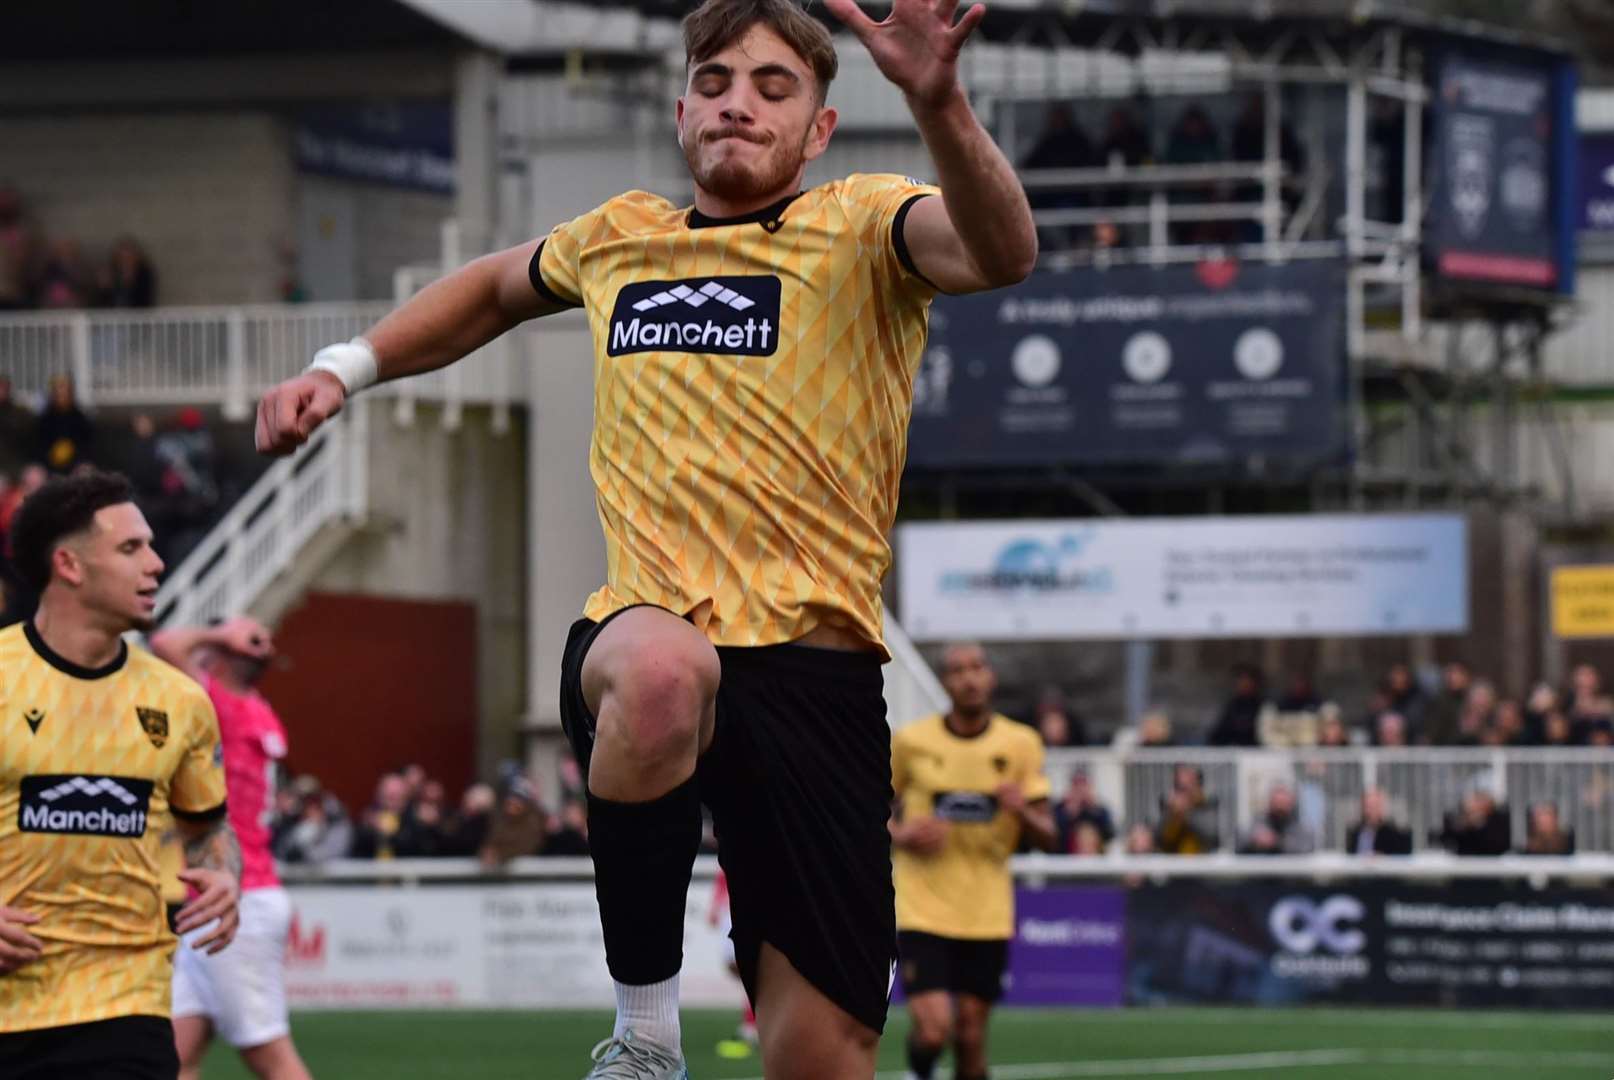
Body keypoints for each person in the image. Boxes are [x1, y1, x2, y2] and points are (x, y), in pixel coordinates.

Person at [253, 0, 1036, 1075]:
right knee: (663, 667)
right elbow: (486, 289)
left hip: (818, 676)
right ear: (681, 112)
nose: (738, 103)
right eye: (715, 82)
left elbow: (1001, 250)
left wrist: (938, 102)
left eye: (773, 87)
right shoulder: (619, 237)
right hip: (650, 631)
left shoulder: (866, 222)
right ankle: (645, 1037)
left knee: (822, 1056)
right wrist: (344, 369)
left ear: (819, 130)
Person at [0, 469, 241, 1078]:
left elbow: (208, 828)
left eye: (152, 546)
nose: (156, 564)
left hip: (124, 1003)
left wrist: (221, 873)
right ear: (70, 566)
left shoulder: (181, 702)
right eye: (131, 548)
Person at [149, 616, 313, 1080]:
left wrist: (221, 636)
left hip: (240, 899)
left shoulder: (223, 707)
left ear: (217, 659)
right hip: (221, 899)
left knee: (270, 1057)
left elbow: (165, 642)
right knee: (176, 1053)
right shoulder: (258, 710)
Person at [890, 643, 1054, 1080]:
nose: (969, 678)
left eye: (977, 668)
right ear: (946, 682)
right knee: (933, 1028)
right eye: (958, 670)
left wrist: (1021, 810)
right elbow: (870, 812)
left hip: (986, 912)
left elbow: (1051, 836)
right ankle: (919, 1072)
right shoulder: (911, 742)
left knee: (969, 1035)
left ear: (991, 677)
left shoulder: (1020, 743)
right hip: (922, 907)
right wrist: (901, 834)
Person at [1237, 783, 1315, 856]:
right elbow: (1240, 844)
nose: (1279, 807)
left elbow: (1307, 848)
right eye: (1276, 803)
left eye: (1283, 803)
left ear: (1291, 803)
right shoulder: (1259, 822)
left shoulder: (1301, 826)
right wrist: (1254, 841)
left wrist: (1277, 842)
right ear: (1270, 803)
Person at [1345, 787, 1413, 856]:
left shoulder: (1394, 834)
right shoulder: (1354, 832)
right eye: (1369, 806)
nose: (1372, 810)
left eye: (1375, 805)